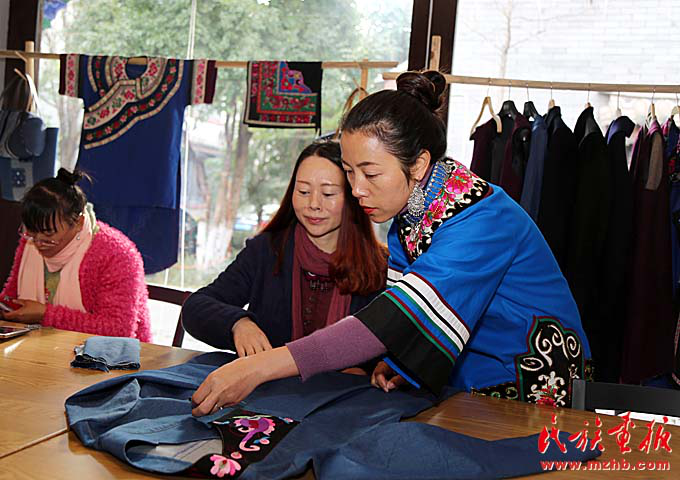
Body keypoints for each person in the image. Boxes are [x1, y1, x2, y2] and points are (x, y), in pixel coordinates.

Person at [189, 71, 592, 416]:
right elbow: (404, 320)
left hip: (532, 387)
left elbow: (392, 320)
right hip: (468, 382)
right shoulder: (410, 216)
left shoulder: (482, 221)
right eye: (350, 172)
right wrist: (399, 361)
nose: (357, 189)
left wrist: (258, 367)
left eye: (370, 174)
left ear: (418, 164)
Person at [182, 139, 387, 359]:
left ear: (353, 197)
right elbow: (195, 307)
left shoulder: (380, 266)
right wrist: (238, 323)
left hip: (342, 383)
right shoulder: (268, 250)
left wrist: (367, 368)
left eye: (328, 194)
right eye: (303, 191)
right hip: (267, 381)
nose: (313, 204)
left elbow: (391, 344)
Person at [0, 168, 152, 341]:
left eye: (49, 234)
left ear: (79, 222)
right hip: (47, 346)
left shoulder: (117, 255)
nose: (39, 243)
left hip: (111, 354)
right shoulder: (31, 241)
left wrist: (45, 314)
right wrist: (5, 306)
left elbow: (117, 330)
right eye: (32, 232)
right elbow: (12, 296)